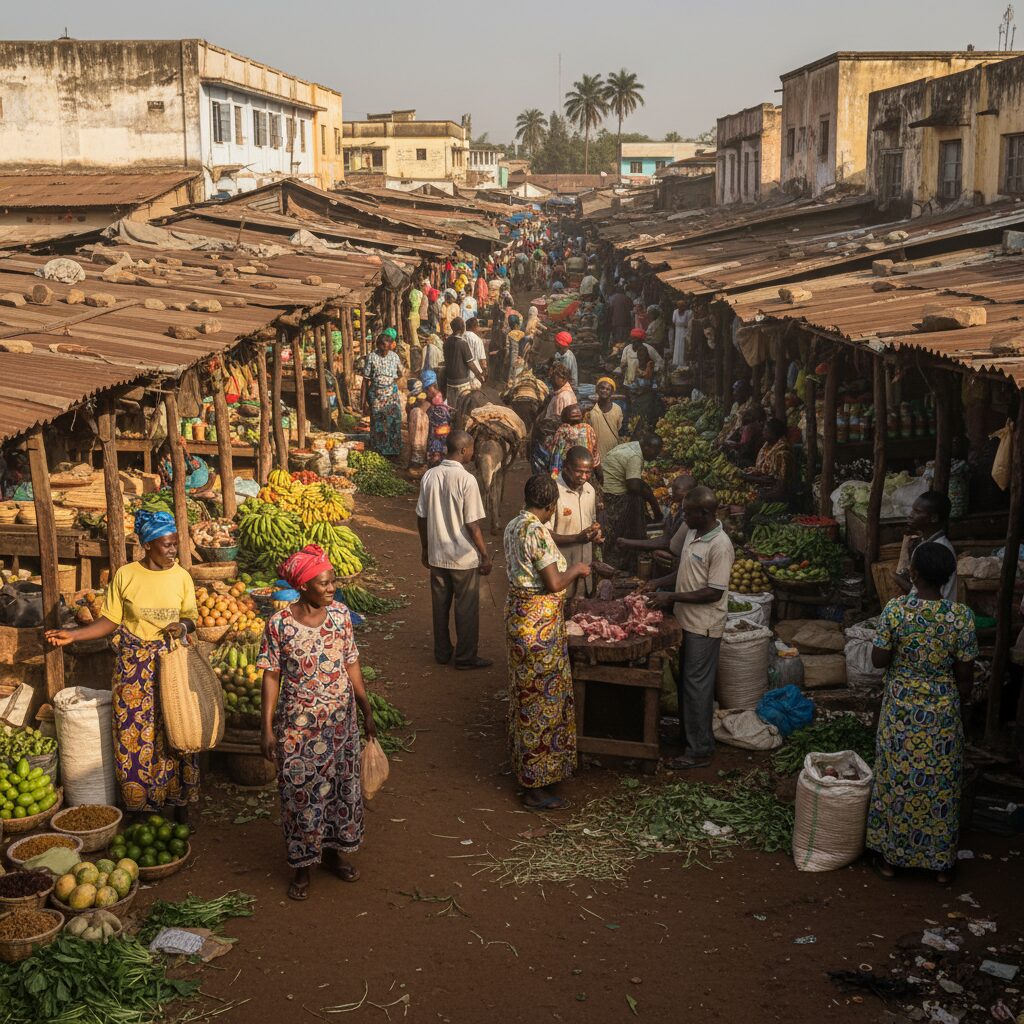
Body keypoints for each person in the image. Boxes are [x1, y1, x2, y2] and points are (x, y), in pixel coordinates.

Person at [45, 509, 201, 821]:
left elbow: (191, 617)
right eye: (167, 544)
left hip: (171, 666)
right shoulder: (126, 576)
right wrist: (74, 635)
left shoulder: (182, 576)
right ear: (148, 545)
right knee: (133, 733)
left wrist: (181, 627)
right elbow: (110, 621)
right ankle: (139, 806)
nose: (173, 550)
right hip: (133, 668)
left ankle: (179, 803)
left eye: (175, 544)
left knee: (176, 731)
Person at [258, 545, 375, 901]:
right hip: (297, 726)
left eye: (332, 581)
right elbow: (271, 675)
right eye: (323, 582)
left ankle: (335, 853)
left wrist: (365, 706)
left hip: (340, 723)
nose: (331, 587)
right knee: (300, 793)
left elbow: (351, 662)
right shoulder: (279, 625)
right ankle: (302, 865)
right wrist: (266, 727)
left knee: (341, 788)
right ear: (303, 586)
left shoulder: (340, 616)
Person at [867, 542, 977, 884]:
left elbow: (878, 660)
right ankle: (940, 866)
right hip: (942, 711)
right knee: (940, 786)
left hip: (901, 708)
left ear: (913, 574)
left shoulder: (896, 611)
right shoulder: (961, 617)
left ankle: (891, 861)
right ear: (947, 577)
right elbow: (965, 677)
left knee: (898, 781)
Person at [504, 474, 591, 810]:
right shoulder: (536, 531)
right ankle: (535, 786)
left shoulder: (516, 524)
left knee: (525, 697)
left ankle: (527, 770)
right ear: (551, 505)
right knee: (541, 701)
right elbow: (554, 582)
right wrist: (578, 571)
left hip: (520, 618)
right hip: (537, 627)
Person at [646, 487, 735, 770]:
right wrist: (659, 583)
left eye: (688, 512)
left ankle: (699, 750)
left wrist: (670, 597)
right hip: (686, 621)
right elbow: (685, 570)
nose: (683, 516)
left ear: (705, 513)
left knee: (697, 687)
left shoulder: (720, 545)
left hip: (704, 626)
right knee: (688, 683)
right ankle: (688, 738)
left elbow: (713, 592)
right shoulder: (693, 533)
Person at [416, 430, 493, 670]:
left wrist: (426, 547)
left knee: (440, 607)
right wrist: (485, 554)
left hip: (437, 555)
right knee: (466, 608)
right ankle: (465, 657)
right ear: (462, 451)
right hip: (462, 558)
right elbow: (473, 524)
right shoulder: (467, 480)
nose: (474, 452)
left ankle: (442, 652)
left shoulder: (430, 475)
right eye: (471, 448)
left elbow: (421, 516)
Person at [602, 434, 663, 572]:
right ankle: (625, 557)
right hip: (614, 495)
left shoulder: (633, 446)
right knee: (637, 505)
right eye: (655, 452)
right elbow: (634, 487)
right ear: (647, 447)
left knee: (644, 490)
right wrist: (654, 505)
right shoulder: (635, 457)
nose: (656, 456)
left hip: (609, 487)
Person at [551, 447, 602, 598]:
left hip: (584, 570)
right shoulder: (553, 491)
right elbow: (543, 534)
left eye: (588, 472)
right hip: (560, 571)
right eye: (579, 471)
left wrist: (596, 533)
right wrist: (576, 538)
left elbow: (591, 520)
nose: (584, 477)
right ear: (566, 467)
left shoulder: (589, 491)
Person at [618, 474, 696, 571]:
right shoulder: (676, 508)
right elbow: (667, 534)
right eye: (673, 491)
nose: (674, 495)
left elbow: (666, 542)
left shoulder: (689, 516)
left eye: (678, 491)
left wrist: (629, 543)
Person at [895, 491, 957, 601]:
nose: (910, 515)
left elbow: (929, 594)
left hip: (934, 613)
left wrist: (896, 578)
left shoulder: (938, 550)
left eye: (917, 512)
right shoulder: (928, 543)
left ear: (933, 518)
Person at [361, 333, 403, 458]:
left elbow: (400, 373)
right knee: (378, 422)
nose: (385, 349)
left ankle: (393, 450)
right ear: (378, 346)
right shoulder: (371, 357)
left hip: (391, 395)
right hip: (376, 395)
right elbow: (365, 380)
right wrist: (363, 402)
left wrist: (391, 383)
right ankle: (379, 450)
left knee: (394, 422)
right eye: (383, 347)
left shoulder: (394, 357)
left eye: (387, 346)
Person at [742, 417, 794, 505]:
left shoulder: (782, 453)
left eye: (766, 430)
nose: (763, 432)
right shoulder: (767, 447)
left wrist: (748, 478)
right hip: (765, 488)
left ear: (774, 433)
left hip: (776, 494)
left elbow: (777, 482)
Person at [549, 403, 601, 478]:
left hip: (569, 474)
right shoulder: (589, 429)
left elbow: (556, 457)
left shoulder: (562, 431)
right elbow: (595, 454)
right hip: (586, 472)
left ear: (563, 419)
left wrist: (554, 477)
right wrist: (598, 473)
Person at [443, 317, 484, 407]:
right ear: (462, 328)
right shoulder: (462, 343)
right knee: (464, 407)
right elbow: (470, 363)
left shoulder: (446, 342)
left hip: (450, 381)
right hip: (462, 382)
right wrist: (480, 375)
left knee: (452, 407)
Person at [586, 376, 623, 460]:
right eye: (602, 388)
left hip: (612, 451)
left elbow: (618, 428)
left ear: (612, 392)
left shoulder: (617, 409)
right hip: (594, 452)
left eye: (608, 389)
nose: (604, 391)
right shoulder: (590, 410)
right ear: (597, 389)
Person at [421, 371, 453, 468]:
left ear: (434, 385)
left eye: (428, 388)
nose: (426, 391)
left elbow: (443, 430)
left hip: (438, 441)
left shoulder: (438, 408)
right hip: (435, 438)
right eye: (426, 388)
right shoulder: (435, 400)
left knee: (436, 462)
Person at [717, 379, 760, 446]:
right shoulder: (735, 405)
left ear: (744, 393)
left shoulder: (750, 407)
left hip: (742, 439)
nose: (734, 393)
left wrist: (726, 440)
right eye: (734, 391)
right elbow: (731, 421)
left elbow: (738, 427)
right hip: (731, 434)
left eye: (737, 391)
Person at [407, 380, 429, 470]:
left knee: (416, 441)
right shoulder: (425, 398)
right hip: (419, 423)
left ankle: (416, 464)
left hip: (418, 423)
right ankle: (417, 463)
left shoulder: (412, 401)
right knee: (419, 442)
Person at [464, 317, 488, 383]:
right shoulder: (477, 340)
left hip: (461, 373)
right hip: (474, 374)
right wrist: (485, 371)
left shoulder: (461, 337)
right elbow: (483, 361)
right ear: (475, 327)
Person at [671, 300, 691, 368]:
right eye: (679, 306)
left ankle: (683, 363)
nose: (681, 307)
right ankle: (676, 362)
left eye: (682, 306)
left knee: (683, 345)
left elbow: (688, 323)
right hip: (677, 330)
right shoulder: (675, 311)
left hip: (684, 330)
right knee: (677, 345)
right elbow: (674, 321)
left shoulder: (687, 312)